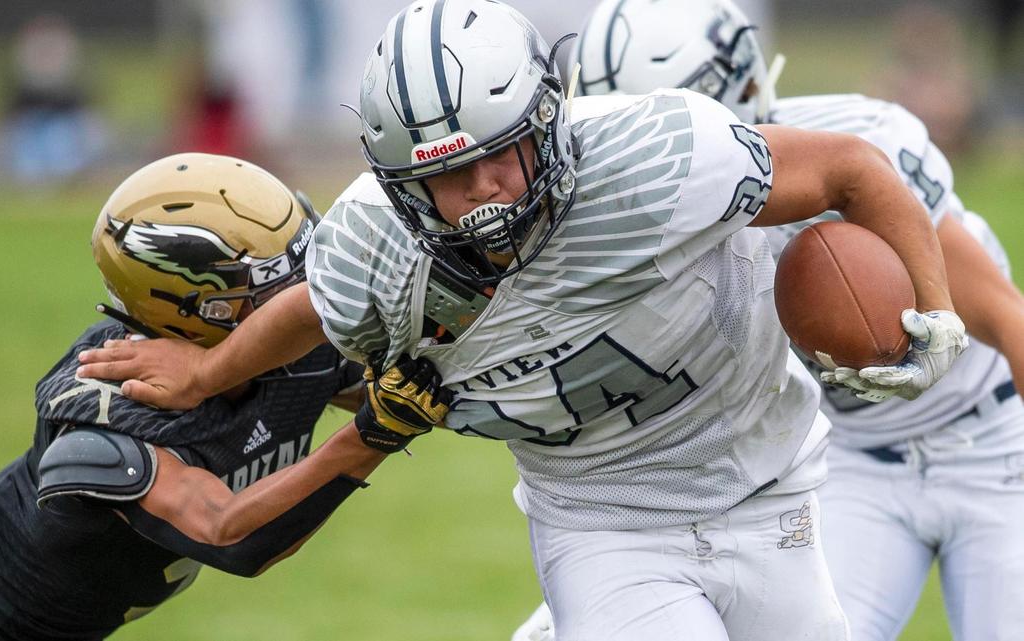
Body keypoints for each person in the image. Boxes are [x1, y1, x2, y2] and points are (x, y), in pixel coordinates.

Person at [76, 1, 969, 638]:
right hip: (601, 521)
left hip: (769, 489)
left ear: (548, 119)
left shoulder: (661, 158)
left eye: (503, 153)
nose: (485, 189)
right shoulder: (372, 247)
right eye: (446, 175)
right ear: (402, 186)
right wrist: (207, 372)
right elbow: (311, 308)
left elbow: (852, 168)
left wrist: (934, 313)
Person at [512, 1, 1024, 639]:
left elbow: (1007, 317)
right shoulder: (615, 214)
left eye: (668, 132)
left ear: (744, 95)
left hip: (996, 446)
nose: (647, 164)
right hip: (856, 465)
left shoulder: (849, 151)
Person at [0, 152, 449, 641]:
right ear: (202, 308)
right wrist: (371, 437)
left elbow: (429, 383)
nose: (308, 298)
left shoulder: (293, 352)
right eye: (279, 287)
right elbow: (231, 534)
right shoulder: (105, 419)